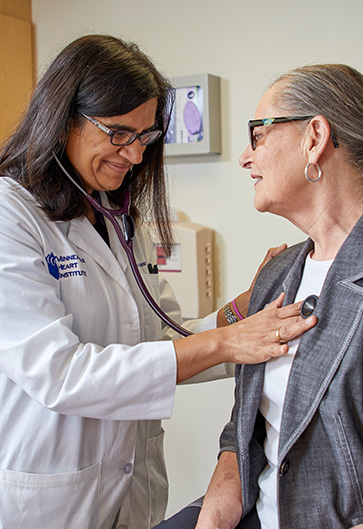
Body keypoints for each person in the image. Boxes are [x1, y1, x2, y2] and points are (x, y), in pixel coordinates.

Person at [0, 35, 315, 529]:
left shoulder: (118, 217)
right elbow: (60, 373)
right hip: (49, 493)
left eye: (145, 138)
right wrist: (229, 341)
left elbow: (160, 338)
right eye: (119, 133)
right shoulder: (10, 215)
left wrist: (241, 312)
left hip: (131, 488)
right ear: (63, 118)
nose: (135, 155)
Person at [154, 63, 363, 529]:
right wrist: (210, 521)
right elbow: (242, 434)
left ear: (314, 137)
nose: (245, 159)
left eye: (258, 134)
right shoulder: (276, 276)